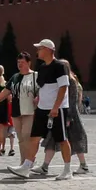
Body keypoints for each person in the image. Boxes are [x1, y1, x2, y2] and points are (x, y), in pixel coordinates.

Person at [29, 38, 72, 180]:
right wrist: (38, 99)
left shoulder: (60, 66)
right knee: (34, 137)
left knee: (62, 139)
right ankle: (26, 166)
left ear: (48, 50)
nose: (37, 51)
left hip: (57, 109)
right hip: (42, 108)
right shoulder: (41, 67)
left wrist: (55, 107)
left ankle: (67, 170)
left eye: (40, 48)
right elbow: (42, 87)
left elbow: (63, 87)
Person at [38, 63, 89, 176]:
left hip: (68, 114)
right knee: (52, 139)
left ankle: (83, 165)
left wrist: (69, 117)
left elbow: (72, 99)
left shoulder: (70, 81)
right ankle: (45, 166)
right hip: (61, 113)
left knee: (74, 139)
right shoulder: (64, 80)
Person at [0, 52, 39, 178]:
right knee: (20, 139)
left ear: (29, 62)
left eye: (22, 62)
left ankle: (29, 162)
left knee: (27, 136)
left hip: (30, 111)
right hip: (16, 112)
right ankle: (23, 163)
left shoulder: (35, 76)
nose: (20, 64)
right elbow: (6, 90)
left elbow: (42, 90)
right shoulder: (15, 77)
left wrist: (38, 97)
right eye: (18, 62)